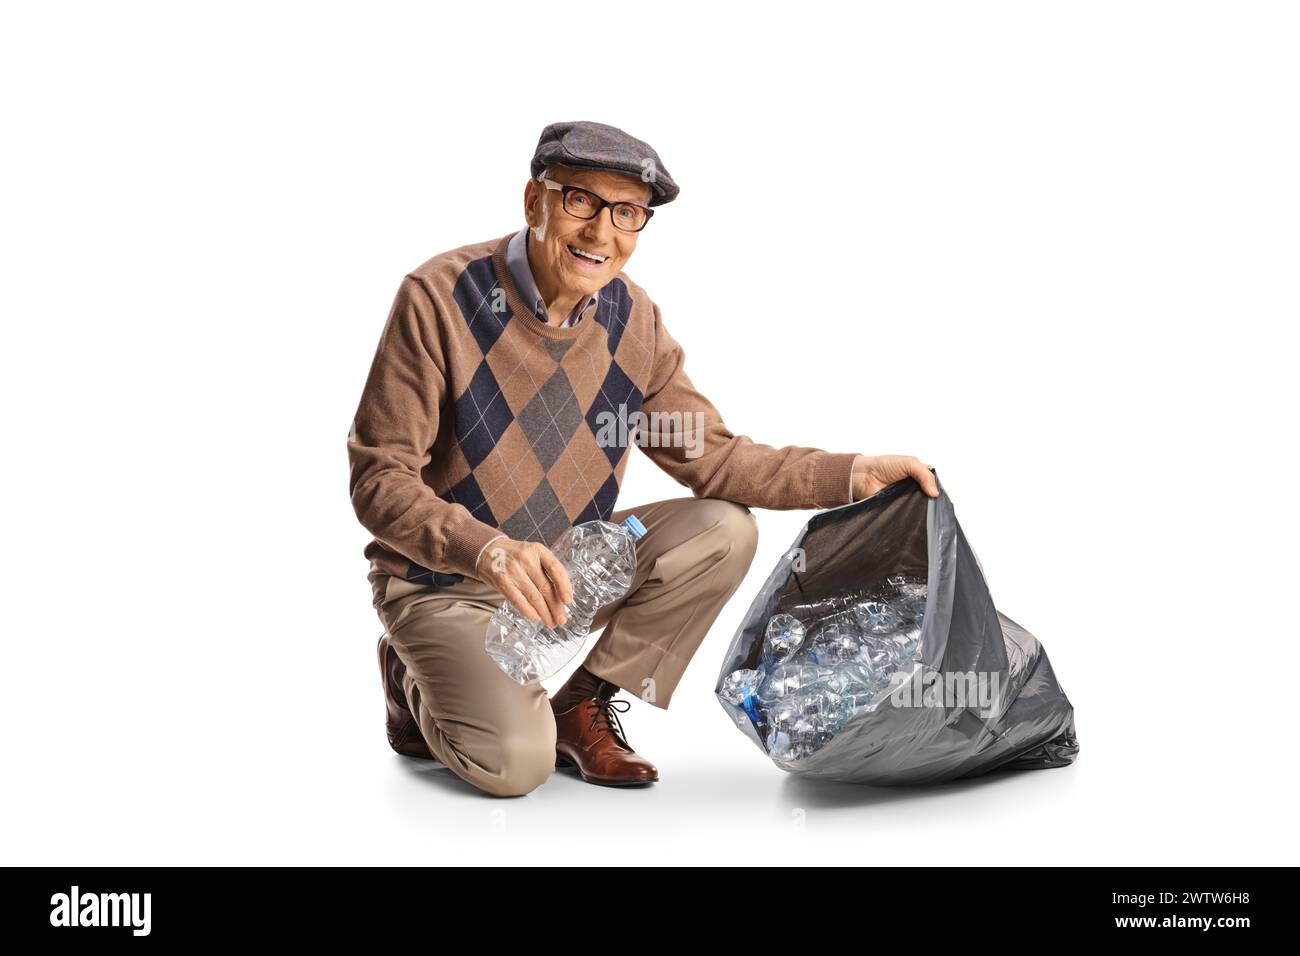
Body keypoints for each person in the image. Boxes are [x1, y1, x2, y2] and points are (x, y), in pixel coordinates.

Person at [348, 120, 939, 797]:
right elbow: (379, 477)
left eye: (627, 213)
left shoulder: (633, 322)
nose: (602, 233)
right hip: (444, 582)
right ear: (533, 202)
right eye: (580, 201)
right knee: (514, 768)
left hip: (563, 571)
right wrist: (488, 552)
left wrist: (851, 473)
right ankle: (410, 676)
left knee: (723, 528)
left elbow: (712, 458)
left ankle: (579, 702)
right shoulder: (438, 297)